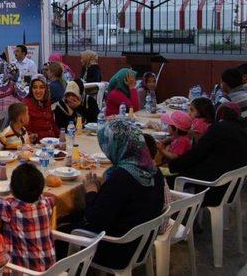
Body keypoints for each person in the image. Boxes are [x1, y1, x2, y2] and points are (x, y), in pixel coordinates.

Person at [78, 119, 165, 270]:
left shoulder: (122, 177)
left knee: (59, 232)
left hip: (117, 249)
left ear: (117, 146)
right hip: (142, 243)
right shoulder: (153, 169)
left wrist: (91, 191)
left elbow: (94, 220)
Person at [169, 102, 247, 206]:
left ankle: (177, 215)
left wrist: (173, 165)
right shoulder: (242, 130)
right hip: (233, 186)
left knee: (167, 180)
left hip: (213, 189)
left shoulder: (218, 129)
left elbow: (197, 154)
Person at [0, 164, 55, 272]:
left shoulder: (11, 208)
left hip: (25, 272)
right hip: (50, 270)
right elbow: (54, 198)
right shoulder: (46, 203)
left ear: (11, 189)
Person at [24, 75, 60, 143]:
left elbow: (52, 123)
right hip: (37, 144)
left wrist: (61, 136)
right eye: (34, 87)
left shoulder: (46, 101)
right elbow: (28, 133)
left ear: (45, 89)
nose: (38, 91)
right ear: (31, 89)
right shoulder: (26, 105)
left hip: (52, 141)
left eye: (41, 87)